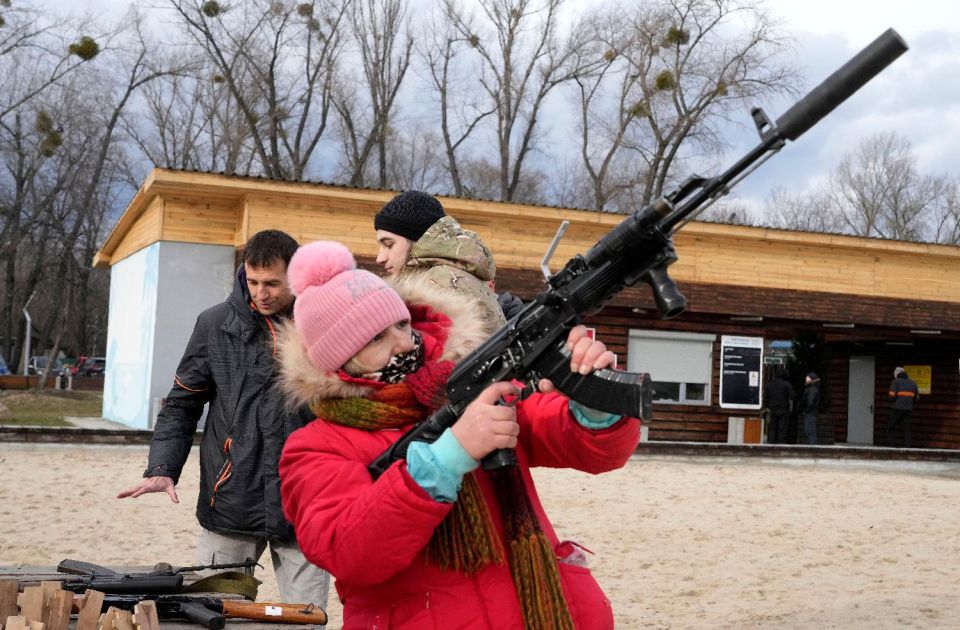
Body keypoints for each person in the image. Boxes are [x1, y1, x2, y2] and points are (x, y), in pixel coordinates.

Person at [276, 240, 639, 629]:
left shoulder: (466, 385)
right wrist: (444, 459)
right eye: (376, 339)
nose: (405, 341)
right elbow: (348, 552)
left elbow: (586, 446)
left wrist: (592, 399)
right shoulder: (314, 446)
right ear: (339, 361)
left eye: (401, 323)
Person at [117, 229, 330, 609]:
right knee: (212, 613)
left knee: (309, 619)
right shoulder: (214, 325)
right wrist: (163, 466)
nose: (261, 293)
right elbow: (182, 404)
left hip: (305, 504)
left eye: (272, 284)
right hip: (230, 498)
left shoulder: (328, 326)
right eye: (253, 281)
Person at [373, 189, 525, 328]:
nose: (380, 258)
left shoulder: (439, 286)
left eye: (389, 245)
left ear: (419, 240)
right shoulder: (453, 276)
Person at [888, 366, 919, 448]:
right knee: (906, 430)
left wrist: (892, 402)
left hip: (896, 409)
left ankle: (892, 447)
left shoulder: (895, 382)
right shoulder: (913, 383)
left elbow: (891, 397)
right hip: (908, 409)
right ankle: (907, 448)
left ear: (897, 374)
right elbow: (916, 398)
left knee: (891, 427)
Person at [763, 367, 795, 444]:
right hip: (783, 410)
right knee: (782, 429)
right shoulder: (786, 385)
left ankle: (770, 444)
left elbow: (765, 398)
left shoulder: (769, 385)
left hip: (772, 410)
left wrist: (766, 407)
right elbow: (793, 396)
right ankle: (781, 445)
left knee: (772, 428)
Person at [798, 372, 821, 445]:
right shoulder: (812, 388)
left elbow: (810, 401)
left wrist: (806, 411)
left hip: (810, 413)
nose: (805, 379)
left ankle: (812, 448)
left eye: (807, 378)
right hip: (811, 412)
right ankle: (812, 447)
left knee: (810, 431)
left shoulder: (812, 389)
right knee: (809, 431)